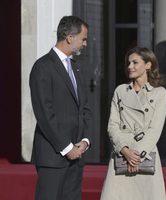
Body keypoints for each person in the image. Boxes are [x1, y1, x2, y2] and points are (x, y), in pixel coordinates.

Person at [29, 16, 92, 200]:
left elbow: (85, 108)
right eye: (84, 38)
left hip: (77, 156)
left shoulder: (76, 67)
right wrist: (66, 147)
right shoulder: (43, 67)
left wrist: (85, 141)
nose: (85, 44)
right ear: (69, 37)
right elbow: (44, 112)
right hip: (53, 156)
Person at [100, 47, 166, 200]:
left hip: (146, 154)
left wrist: (137, 156)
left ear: (148, 65)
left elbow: (155, 129)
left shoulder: (159, 93)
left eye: (135, 62)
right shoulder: (120, 91)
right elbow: (112, 125)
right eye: (128, 63)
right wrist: (124, 150)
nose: (130, 66)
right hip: (121, 154)